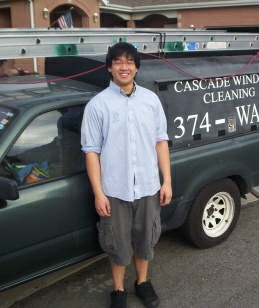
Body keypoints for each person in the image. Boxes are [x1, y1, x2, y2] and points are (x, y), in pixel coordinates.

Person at [81, 42, 172, 308]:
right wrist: (99, 193)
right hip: (114, 190)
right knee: (117, 245)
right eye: (118, 62)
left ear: (136, 67)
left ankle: (142, 283)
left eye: (129, 62)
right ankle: (118, 290)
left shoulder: (151, 100)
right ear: (109, 67)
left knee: (145, 241)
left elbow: (161, 141)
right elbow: (91, 152)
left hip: (148, 187)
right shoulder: (98, 106)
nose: (124, 67)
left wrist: (166, 181)